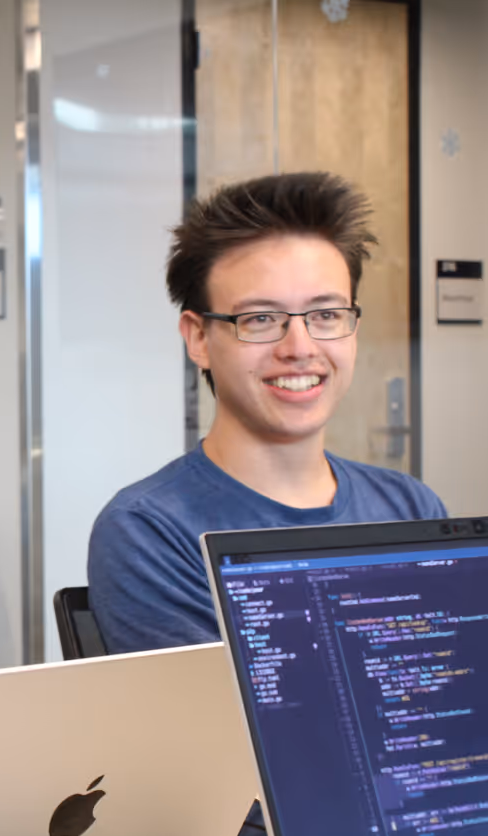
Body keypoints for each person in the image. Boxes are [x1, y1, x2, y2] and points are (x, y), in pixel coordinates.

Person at [88, 171, 447, 656]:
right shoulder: (151, 529)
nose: (300, 348)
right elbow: (223, 727)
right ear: (199, 339)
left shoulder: (409, 508)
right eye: (260, 319)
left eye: (325, 315)